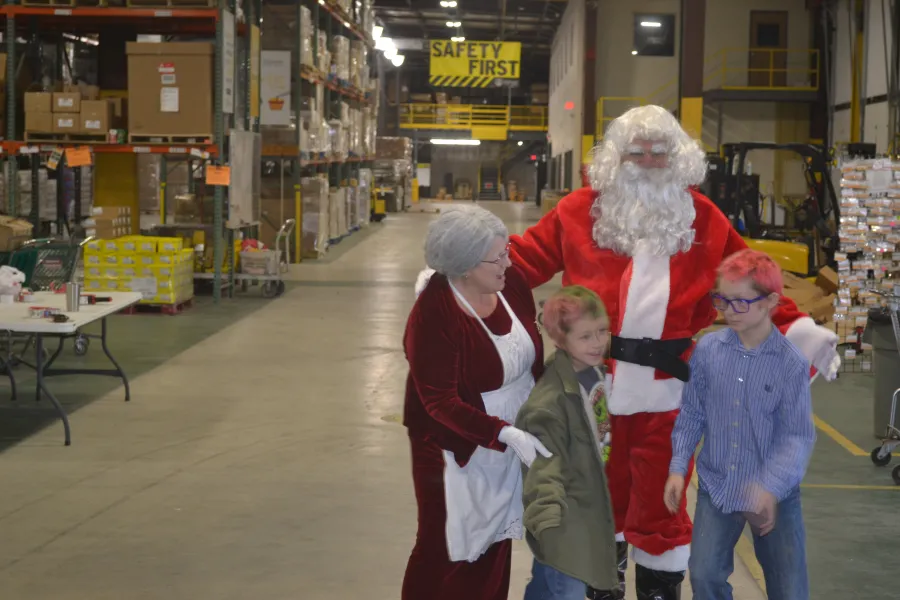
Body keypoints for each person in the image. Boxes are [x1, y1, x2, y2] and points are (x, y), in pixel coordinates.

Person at [502, 105, 840, 600]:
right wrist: (464, 276)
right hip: (592, 385)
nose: (646, 162)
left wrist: (799, 329)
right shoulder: (578, 211)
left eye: (658, 152)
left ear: (677, 157)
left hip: (668, 395)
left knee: (663, 501)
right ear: (615, 159)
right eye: (635, 153)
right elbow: (522, 260)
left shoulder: (703, 218)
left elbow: (751, 279)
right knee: (594, 496)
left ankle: (659, 589)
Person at [402, 205, 551, 600]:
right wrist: (504, 434)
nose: (508, 263)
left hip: (512, 436)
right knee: (447, 548)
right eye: (497, 257)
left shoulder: (511, 283)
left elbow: (531, 360)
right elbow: (439, 402)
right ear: (465, 266)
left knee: (495, 542)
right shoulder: (434, 313)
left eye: (506, 252)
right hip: (453, 447)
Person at [664, 249, 815, 600]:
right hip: (718, 486)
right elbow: (692, 413)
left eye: (740, 302)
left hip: (774, 493)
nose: (728, 311)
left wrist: (769, 487)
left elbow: (796, 437)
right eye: (722, 300)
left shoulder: (790, 363)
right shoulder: (708, 351)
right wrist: (677, 468)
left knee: (788, 588)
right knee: (704, 577)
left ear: (770, 302)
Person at [517, 286, 621, 600]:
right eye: (585, 336)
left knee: (544, 588)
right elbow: (543, 472)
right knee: (566, 590)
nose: (598, 342)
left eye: (602, 331)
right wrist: (551, 529)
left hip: (588, 511)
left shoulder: (593, 374)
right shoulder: (549, 404)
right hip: (565, 524)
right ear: (561, 339)